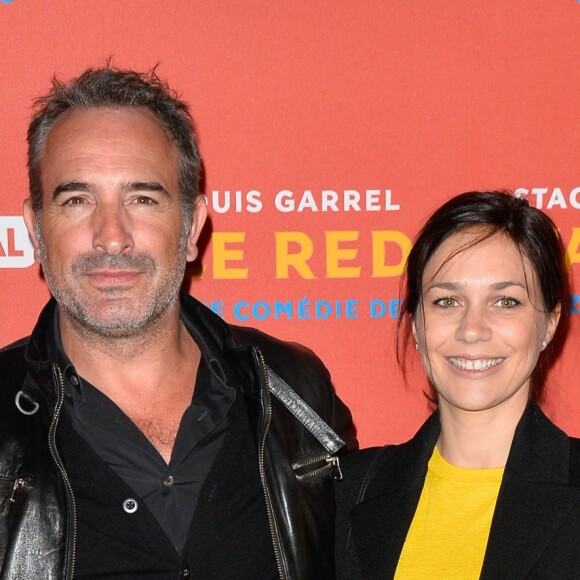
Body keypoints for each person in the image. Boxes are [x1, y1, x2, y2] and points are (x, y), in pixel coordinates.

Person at [0, 65, 357, 579]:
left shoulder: (293, 389)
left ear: (192, 226)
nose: (112, 236)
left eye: (142, 199)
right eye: (77, 200)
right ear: (35, 229)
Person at [335, 191, 580, 579]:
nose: (471, 330)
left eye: (506, 302)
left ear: (549, 323)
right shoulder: (349, 492)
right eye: (447, 301)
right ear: (416, 322)